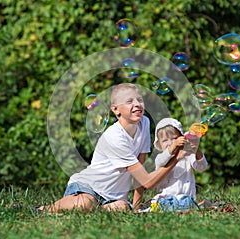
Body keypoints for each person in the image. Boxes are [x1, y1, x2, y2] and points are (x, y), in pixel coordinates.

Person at [37, 83, 186, 213]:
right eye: (129, 101)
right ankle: (45, 209)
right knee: (86, 203)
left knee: (122, 207)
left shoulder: (144, 123)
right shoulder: (114, 137)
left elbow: (140, 168)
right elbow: (147, 181)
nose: (137, 104)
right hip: (88, 188)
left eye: (139, 100)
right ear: (116, 110)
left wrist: (136, 206)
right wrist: (176, 158)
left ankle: (98, 209)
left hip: (113, 198)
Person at [146, 118, 208, 212]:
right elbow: (161, 161)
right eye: (165, 140)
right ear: (158, 144)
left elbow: (202, 167)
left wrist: (197, 151)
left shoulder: (188, 155)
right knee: (163, 204)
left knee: (187, 203)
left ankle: (185, 209)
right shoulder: (160, 157)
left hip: (185, 199)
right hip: (165, 199)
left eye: (174, 138)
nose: (170, 142)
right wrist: (173, 146)